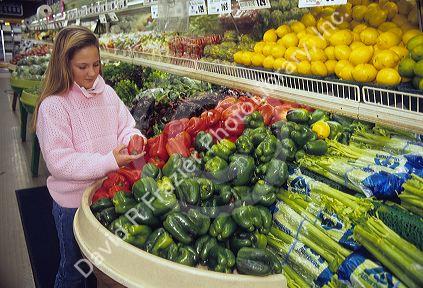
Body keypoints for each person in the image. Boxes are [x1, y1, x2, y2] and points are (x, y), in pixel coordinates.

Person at [33, 26, 146, 288]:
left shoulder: (107, 93)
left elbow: (125, 125)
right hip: (72, 206)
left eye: (96, 64)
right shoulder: (54, 106)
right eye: (82, 67)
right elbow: (60, 162)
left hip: (106, 197)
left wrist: (132, 138)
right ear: (64, 65)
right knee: (74, 272)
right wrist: (109, 161)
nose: (92, 73)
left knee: (98, 269)